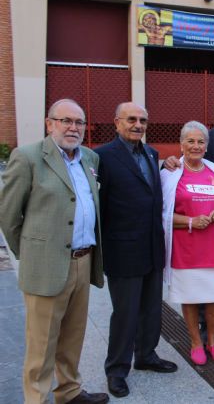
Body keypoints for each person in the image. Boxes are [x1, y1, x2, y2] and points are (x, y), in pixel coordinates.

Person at [0, 99, 109, 404]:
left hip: (83, 260)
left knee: (73, 336)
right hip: (46, 264)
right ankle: (36, 398)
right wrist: (31, 252)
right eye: (66, 121)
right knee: (42, 343)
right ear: (50, 124)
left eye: (79, 122)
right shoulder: (28, 157)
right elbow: (8, 214)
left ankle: (69, 392)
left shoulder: (89, 158)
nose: (73, 127)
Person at [96, 102, 177, 398]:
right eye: (131, 119)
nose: (138, 125)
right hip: (122, 251)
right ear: (117, 122)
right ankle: (116, 369)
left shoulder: (151, 153)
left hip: (152, 247)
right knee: (125, 314)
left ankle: (146, 355)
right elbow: (99, 208)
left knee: (152, 309)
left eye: (143, 120)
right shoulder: (102, 156)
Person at [161, 121, 214, 364]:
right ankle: (196, 342)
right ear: (182, 144)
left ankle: (212, 341)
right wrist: (190, 222)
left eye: (201, 142)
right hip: (185, 248)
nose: (196, 146)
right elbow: (162, 215)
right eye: (191, 141)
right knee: (190, 297)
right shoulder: (170, 173)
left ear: (206, 146)